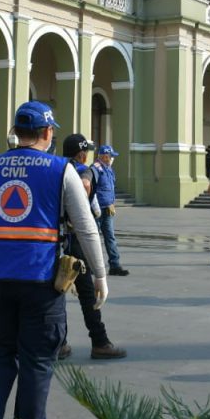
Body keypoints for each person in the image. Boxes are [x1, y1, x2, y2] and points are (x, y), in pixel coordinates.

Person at [0, 101, 108, 419]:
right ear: (47, 132)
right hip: (41, 280)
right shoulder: (61, 170)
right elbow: (86, 227)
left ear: (16, 132)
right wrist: (100, 274)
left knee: (2, 352)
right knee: (37, 361)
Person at [58, 134, 126, 360]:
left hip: (54, 239)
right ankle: (99, 342)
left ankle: (59, 343)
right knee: (87, 293)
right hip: (75, 239)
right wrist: (79, 210)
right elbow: (86, 183)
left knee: (56, 291)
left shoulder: (56, 168)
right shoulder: (82, 170)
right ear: (81, 154)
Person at [92, 144, 129, 276]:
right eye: (110, 156)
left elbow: (110, 188)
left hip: (108, 209)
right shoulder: (95, 169)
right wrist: (95, 207)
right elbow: (91, 189)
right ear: (104, 156)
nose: (112, 159)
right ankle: (91, 266)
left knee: (110, 238)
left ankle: (115, 265)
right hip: (97, 210)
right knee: (93, 239)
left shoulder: (109, 169)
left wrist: (112, 203)